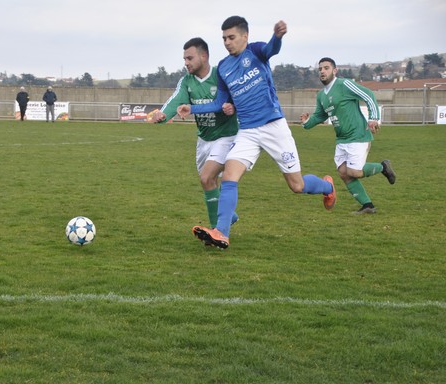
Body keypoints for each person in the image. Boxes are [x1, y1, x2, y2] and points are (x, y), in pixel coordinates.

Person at [177, 16, 336, 249]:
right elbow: (220, 102)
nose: (227, 42)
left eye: (231, 37)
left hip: (274, 127)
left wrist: (278, 36)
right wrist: (192, 108)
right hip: (248, 131)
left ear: (245, 36)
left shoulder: (256, 51)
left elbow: (272, 48)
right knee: (230, 175)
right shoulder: (224, 68)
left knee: (297, 186)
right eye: (224, 38)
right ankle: (221, 232)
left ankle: (327, 187)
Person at [151, 37, 239, 229]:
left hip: (226, 136)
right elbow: (176, 100)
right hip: (204, 139)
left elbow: (239, 98)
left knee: (206, 178)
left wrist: (233, 107)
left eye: (190, 58)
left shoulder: (221, 75)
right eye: (184, 59)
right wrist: (162, 114)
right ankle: (227, 215)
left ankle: (218, 232)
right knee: (209, 183)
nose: (186, 63)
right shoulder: (187, 81)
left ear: (204, 56)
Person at [300, 57, 396, 214]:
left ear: (335, 70)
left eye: (326, 68)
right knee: (344, 173)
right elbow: (320, 116)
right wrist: (306, 123)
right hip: (342, 139)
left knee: (354, 172)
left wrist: (373, 118)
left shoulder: (344, 84)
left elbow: (369, 95)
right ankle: (368, 206)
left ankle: (383, 167)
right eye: (320, 69)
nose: (322, 71)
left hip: (358, 135)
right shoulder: (321, 95)